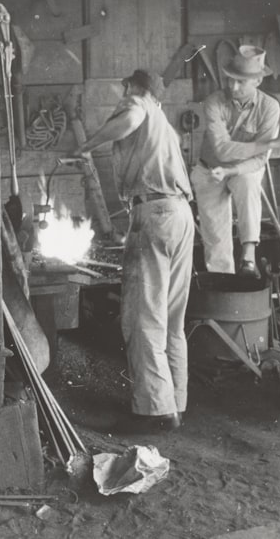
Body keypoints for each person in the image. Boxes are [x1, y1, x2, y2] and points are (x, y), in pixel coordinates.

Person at [75, 70, 193, 433]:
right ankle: (176, 402)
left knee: (143, 317)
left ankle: (156, 411)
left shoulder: (138, 105)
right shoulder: (163, 122)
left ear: (132, 88)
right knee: (172, 319)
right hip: (181, 215)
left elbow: (128, 119)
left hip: (154, 214)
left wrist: (85, 145)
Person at [191, 45, 280, 278]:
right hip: (209, 169)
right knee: (215, 237)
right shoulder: (214, 102)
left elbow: (259, 160)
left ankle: (248, 259)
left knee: (250, 183)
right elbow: (221, 150)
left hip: (243, 170)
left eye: (241, 82)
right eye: (230, 80)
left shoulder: (270, 108)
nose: (233, 86)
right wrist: (273, 144)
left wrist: (232, 171)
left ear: (258, 81)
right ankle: (225, 286)